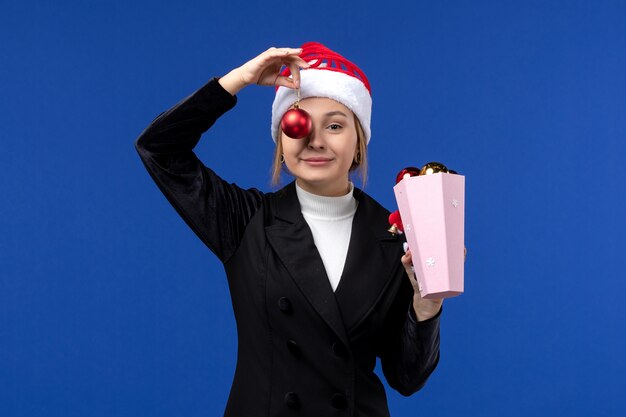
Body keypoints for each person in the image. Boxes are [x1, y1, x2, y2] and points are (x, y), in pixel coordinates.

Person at [135, 42, 443, 417]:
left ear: (358, 144)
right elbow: (158, 149)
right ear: (281, 142)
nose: (315, 140)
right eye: (298, 124)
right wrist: (237, 80)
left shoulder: (394, 234)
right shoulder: (246, 220)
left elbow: (407, 379)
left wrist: (426, 305)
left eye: (334, 125)